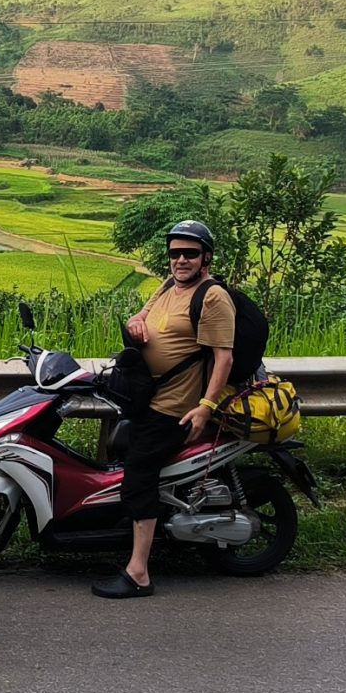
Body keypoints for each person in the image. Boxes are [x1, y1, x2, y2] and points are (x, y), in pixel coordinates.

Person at [91, 220, 234, 599]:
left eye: (190, 253)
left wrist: (205, 407)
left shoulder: (212, 296)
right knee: (118, 455)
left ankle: (138, 572)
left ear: (206, 257)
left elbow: (223, 358)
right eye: (175, 253)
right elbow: (141, 315)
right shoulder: (170, 285)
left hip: (175, 407)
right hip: (145, 399)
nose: (181, 260)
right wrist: (137, 323)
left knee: (139, 475)